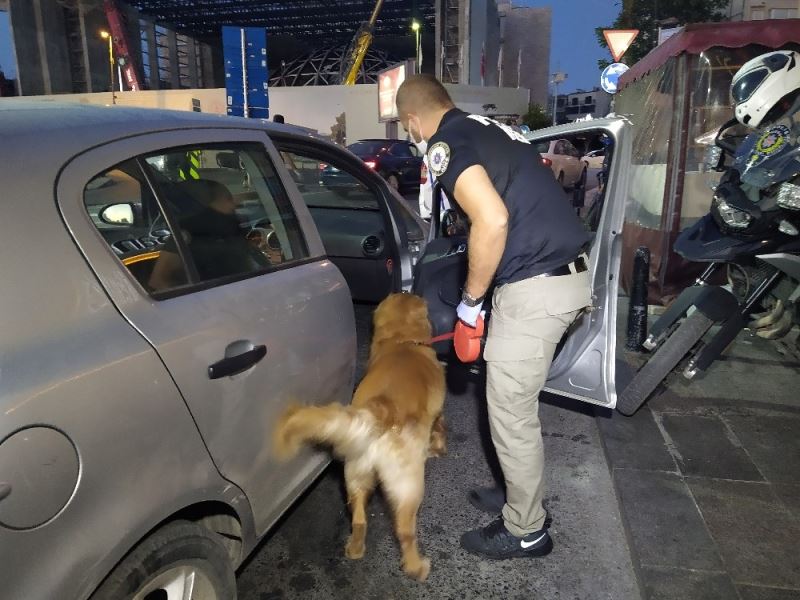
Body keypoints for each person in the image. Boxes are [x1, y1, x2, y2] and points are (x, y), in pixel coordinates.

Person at [396, 74, 591, 559]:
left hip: (536, 288)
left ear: (413, 119)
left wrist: (469, 304)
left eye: (408, 130)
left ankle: (527, 529)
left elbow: (493, 219)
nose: (414, 139)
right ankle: (516, 491)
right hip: (558, 277)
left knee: (511, 413)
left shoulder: (445, 142)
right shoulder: (486, 128)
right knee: (510, 405)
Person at [148, 179, 271, 291]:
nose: (233, 205)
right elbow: (158, 280)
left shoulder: (229, 231)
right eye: (227, 199)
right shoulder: (186, 235)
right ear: (207, 204)